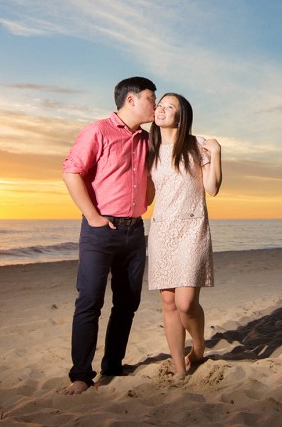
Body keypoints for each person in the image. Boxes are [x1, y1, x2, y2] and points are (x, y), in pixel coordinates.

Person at [61, 76, 157, 395]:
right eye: (149, 98)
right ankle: (80, 374)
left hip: (134, 229)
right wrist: (93, 216)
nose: (153, 105)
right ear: (131, 100)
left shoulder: (146, 140)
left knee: (127, 302)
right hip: (101, 230)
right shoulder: (97, 131)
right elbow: (71, 171)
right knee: (89, 300)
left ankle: (113, 364)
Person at [146, 93, 222, 379]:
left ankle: (199, 347)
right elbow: (149, 195)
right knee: (168, 303)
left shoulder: (195, 145)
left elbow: (212, 188)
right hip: (162, 229)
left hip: (192, 228)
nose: (161, 110)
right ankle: (179, 367)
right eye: (160, 105)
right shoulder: (149, 147)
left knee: (186, 303)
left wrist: (216, 154)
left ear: (182, 115)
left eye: (170, 107)